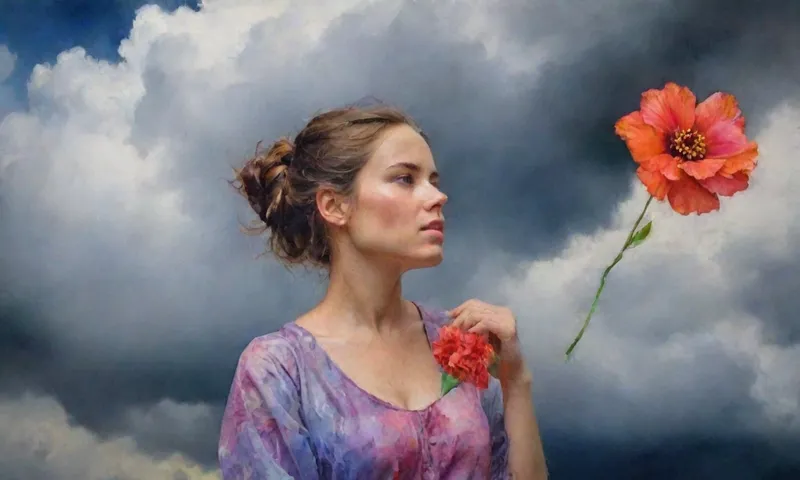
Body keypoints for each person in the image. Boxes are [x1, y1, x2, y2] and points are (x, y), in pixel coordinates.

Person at [218, 104, 548, 479]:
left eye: (433, 180)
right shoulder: (279, 368)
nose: (437, 197)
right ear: (334, 205)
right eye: (405, 179)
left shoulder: (459, 345)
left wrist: (515, 380)